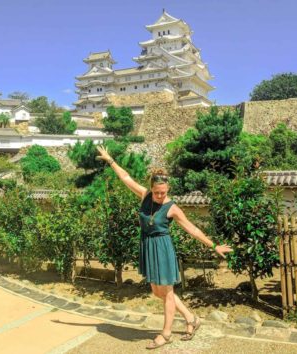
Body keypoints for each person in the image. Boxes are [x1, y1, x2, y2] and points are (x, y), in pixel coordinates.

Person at [96, 146, 233, 350]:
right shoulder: (145, 196)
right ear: (151, 189)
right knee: (157, 292)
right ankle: (191, 318)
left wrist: (214, 245)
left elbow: (192, 229)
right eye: (157, 192)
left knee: (167, 293)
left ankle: (166, 334)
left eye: (164, 193)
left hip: (162, 249)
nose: (160, 196)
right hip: (148, 247)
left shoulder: (172, 208)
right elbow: (126, 178)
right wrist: (110, 160)